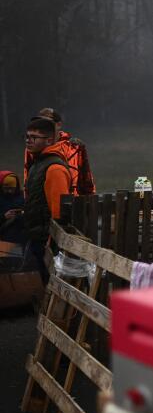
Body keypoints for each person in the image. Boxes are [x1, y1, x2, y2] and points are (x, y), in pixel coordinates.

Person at [22, 117, 71, 283]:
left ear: (49, 140)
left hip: (47, 241)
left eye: (34, 137)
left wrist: (51, 242)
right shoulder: (37, 164)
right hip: (36, 235)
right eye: (27, 137)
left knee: (51, 282)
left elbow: (59, 212)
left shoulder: (54, 168)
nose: (28, 141)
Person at [23, 107, 95, 196]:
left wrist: (89, 200)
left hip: (75, 201)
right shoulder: (33, 147)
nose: (43, 125)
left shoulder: (74, 146)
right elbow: (28, 179)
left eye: (47, 122)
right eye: (40, 122)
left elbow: (86, 178)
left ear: (59, 125)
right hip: (43, 200)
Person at [1, 171, 27, 244]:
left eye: (12, 188)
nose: (9, 191)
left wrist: (22, 213)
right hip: (3, 234)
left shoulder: (22, 196)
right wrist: (4, 216)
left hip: (19, 234)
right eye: (6, 188)